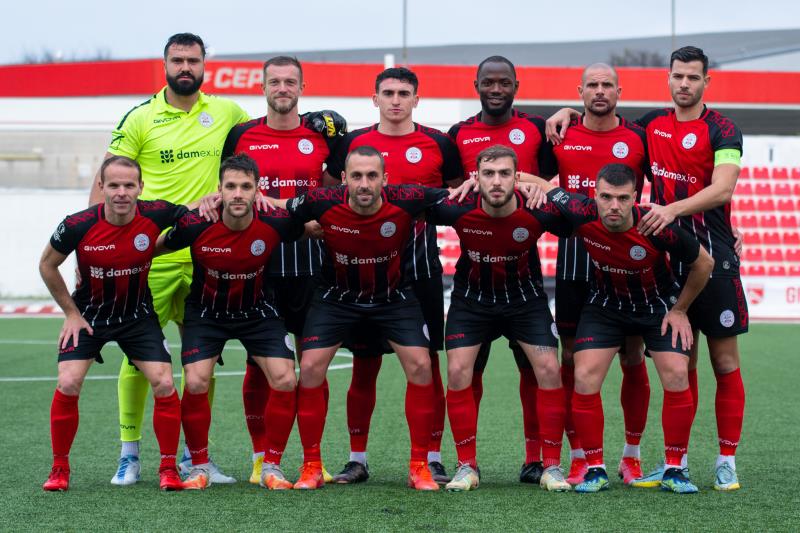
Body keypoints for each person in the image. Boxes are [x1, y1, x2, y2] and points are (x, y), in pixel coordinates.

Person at [547, 46, 747, 491]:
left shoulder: (724, 129)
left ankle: (726, 461)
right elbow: (602, 120)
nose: (684, 84)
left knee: (724, 361)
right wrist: (569, 111)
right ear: (668, 79)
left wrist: (672, 210)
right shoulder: (651, 126)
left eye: (692, 77)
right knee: (683, 361)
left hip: (711, 253)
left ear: (706, 81)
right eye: (678, 76)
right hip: (666, 262)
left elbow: (723, 189)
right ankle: (678, 463)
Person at [90, 33, 250, 485]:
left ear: (204, 66)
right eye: (177, 60)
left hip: (206, 255)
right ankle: (129, 454)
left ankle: (194, 457)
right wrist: (94, 245)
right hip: (152, 255)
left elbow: (262, 145)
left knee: (202, 360)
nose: (185, 67)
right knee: (137, 355)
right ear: (164, 64)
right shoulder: (140, 117)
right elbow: (107, 179)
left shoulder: (228, 113)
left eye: (192, 60)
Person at [528, 163, 714, 493]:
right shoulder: (580, 211)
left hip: (656, 306)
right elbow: (540, 183)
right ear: (595, 196)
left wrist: (680, 310)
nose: (614, 206)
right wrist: (494, 180)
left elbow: (704, 263)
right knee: (584, 374)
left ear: (635, 198)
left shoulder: (655, 224)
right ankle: (595, 469)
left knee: (676, 373)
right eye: (606, 197)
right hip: (606, 305)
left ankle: (675, 468)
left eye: (623, 198)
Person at [272, 145, 448, 491]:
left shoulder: (408, 198)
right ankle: (311, 466)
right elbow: (281, 210)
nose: (364, 183)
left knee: (422, 365)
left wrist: (511, 185)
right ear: (344, 179)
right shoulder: (321, 201)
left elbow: (458, 198)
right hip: (336, 298)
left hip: (393, 297)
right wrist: (243, 198)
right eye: (356, 176)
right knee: (310, 367)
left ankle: (419, 467)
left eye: (371, 176)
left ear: (385, 178)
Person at [322, 67, 462, 484]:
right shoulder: (352, 144)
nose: (396, 100)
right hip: (363, 275)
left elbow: (458, 196)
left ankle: (431, 457)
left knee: (427, 364)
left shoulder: (439, 143)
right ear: (375, 99)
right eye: (388, 93)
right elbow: (329, 196)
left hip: (420, 271)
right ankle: (357, 459)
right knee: (364, 366)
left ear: (416, 99)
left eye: (404, 93)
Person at [522, 63, 652, 486]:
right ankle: (580, 456)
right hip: (576, 257)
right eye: (592, 85)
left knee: (632, 356)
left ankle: (631, 456)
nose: (600, 91)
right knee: (571, 358)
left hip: (627, 260)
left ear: (619, 91)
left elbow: (668, 191)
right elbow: (530, 177)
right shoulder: (561, 135)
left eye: (606, 85)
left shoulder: (638, 137)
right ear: (580, 92)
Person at [219, 55, 345, 484]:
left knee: (314, 365)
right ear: (263, 87)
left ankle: (313, 460)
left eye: (290, 82)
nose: (283, 88)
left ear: (302, 88)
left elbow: (337, 190)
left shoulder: (320, 136)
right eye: (275, 82)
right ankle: (261, 459)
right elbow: (230, 192)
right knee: (258, 367)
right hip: (261, 267)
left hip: (313, 267)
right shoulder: (242, 135)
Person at [425, 145, 572, 492]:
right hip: (472, 302)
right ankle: (467, 466)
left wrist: (546, 187)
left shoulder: (537, 208)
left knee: (549, 369)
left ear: (516, 177)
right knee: (458, 371)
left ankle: (551, 466)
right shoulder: (457, 206)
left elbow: (584, 214)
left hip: (525, 301)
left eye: (505, 174)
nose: (496, 181)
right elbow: (404, 204)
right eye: (488, 174)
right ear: (476, 178)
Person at [40, 156, 187, 491]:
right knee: (68, 382)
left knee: (164, 383)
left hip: (137, 317)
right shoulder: (77, 225)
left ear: (140, 188)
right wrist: (71, 313)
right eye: (115, 185)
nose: (122, 192)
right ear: (101, 187)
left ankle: (168, 469)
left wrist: (214, 199)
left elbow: (191, 217)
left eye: (129, 185)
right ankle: (59, 469)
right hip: (89, 317)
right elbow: (47, 265)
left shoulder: (156, 213)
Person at [159, 154, 305, 490]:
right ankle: (199, 466)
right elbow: (152, 248)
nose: (238, 194)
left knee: (285, 379)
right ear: (219, 190)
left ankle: (271, 466)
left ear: (257, 190)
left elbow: (313, 228)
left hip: (258, 312)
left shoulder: (276, 221)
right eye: (231, 186)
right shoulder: (197, 223)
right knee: (196, 381)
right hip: (207, 314)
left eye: (245, 187)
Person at [447, 55, 553, 483]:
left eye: (504, 82)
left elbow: (557, 186)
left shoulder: (538, 129)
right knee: (464, 371)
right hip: (473, 280)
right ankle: (465, 463)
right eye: (488, 82)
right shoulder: (458, 134)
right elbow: (446, 192)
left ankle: (538, 460)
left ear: (516, 86)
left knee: (537, 369)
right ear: (476, 86)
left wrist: (530, 184)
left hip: (524, 278)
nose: (496, 89)